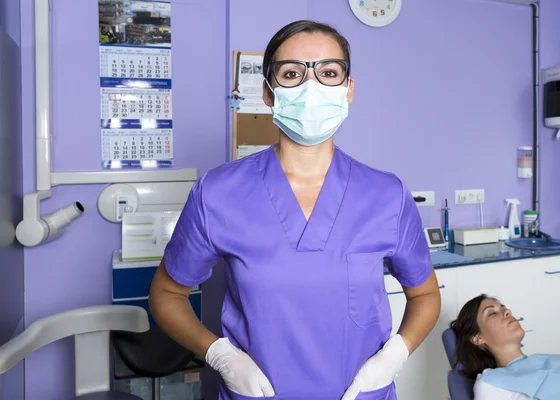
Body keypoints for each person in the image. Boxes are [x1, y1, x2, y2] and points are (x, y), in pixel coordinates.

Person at [149, 19, 441, 400]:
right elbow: (166, 295)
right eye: (292, 74)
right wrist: (219, 355)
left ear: (348, 90)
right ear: (269, 93)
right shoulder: (219, 193)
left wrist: (394, 356)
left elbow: (426, 295)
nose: (311, 87)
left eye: (329, 73)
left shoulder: (387, 194)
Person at [450, 294, 560, 400]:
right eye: (492, 313)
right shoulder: (491, 384)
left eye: (503, 308)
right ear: (478, 338)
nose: (507, 311)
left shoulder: (554, 360)